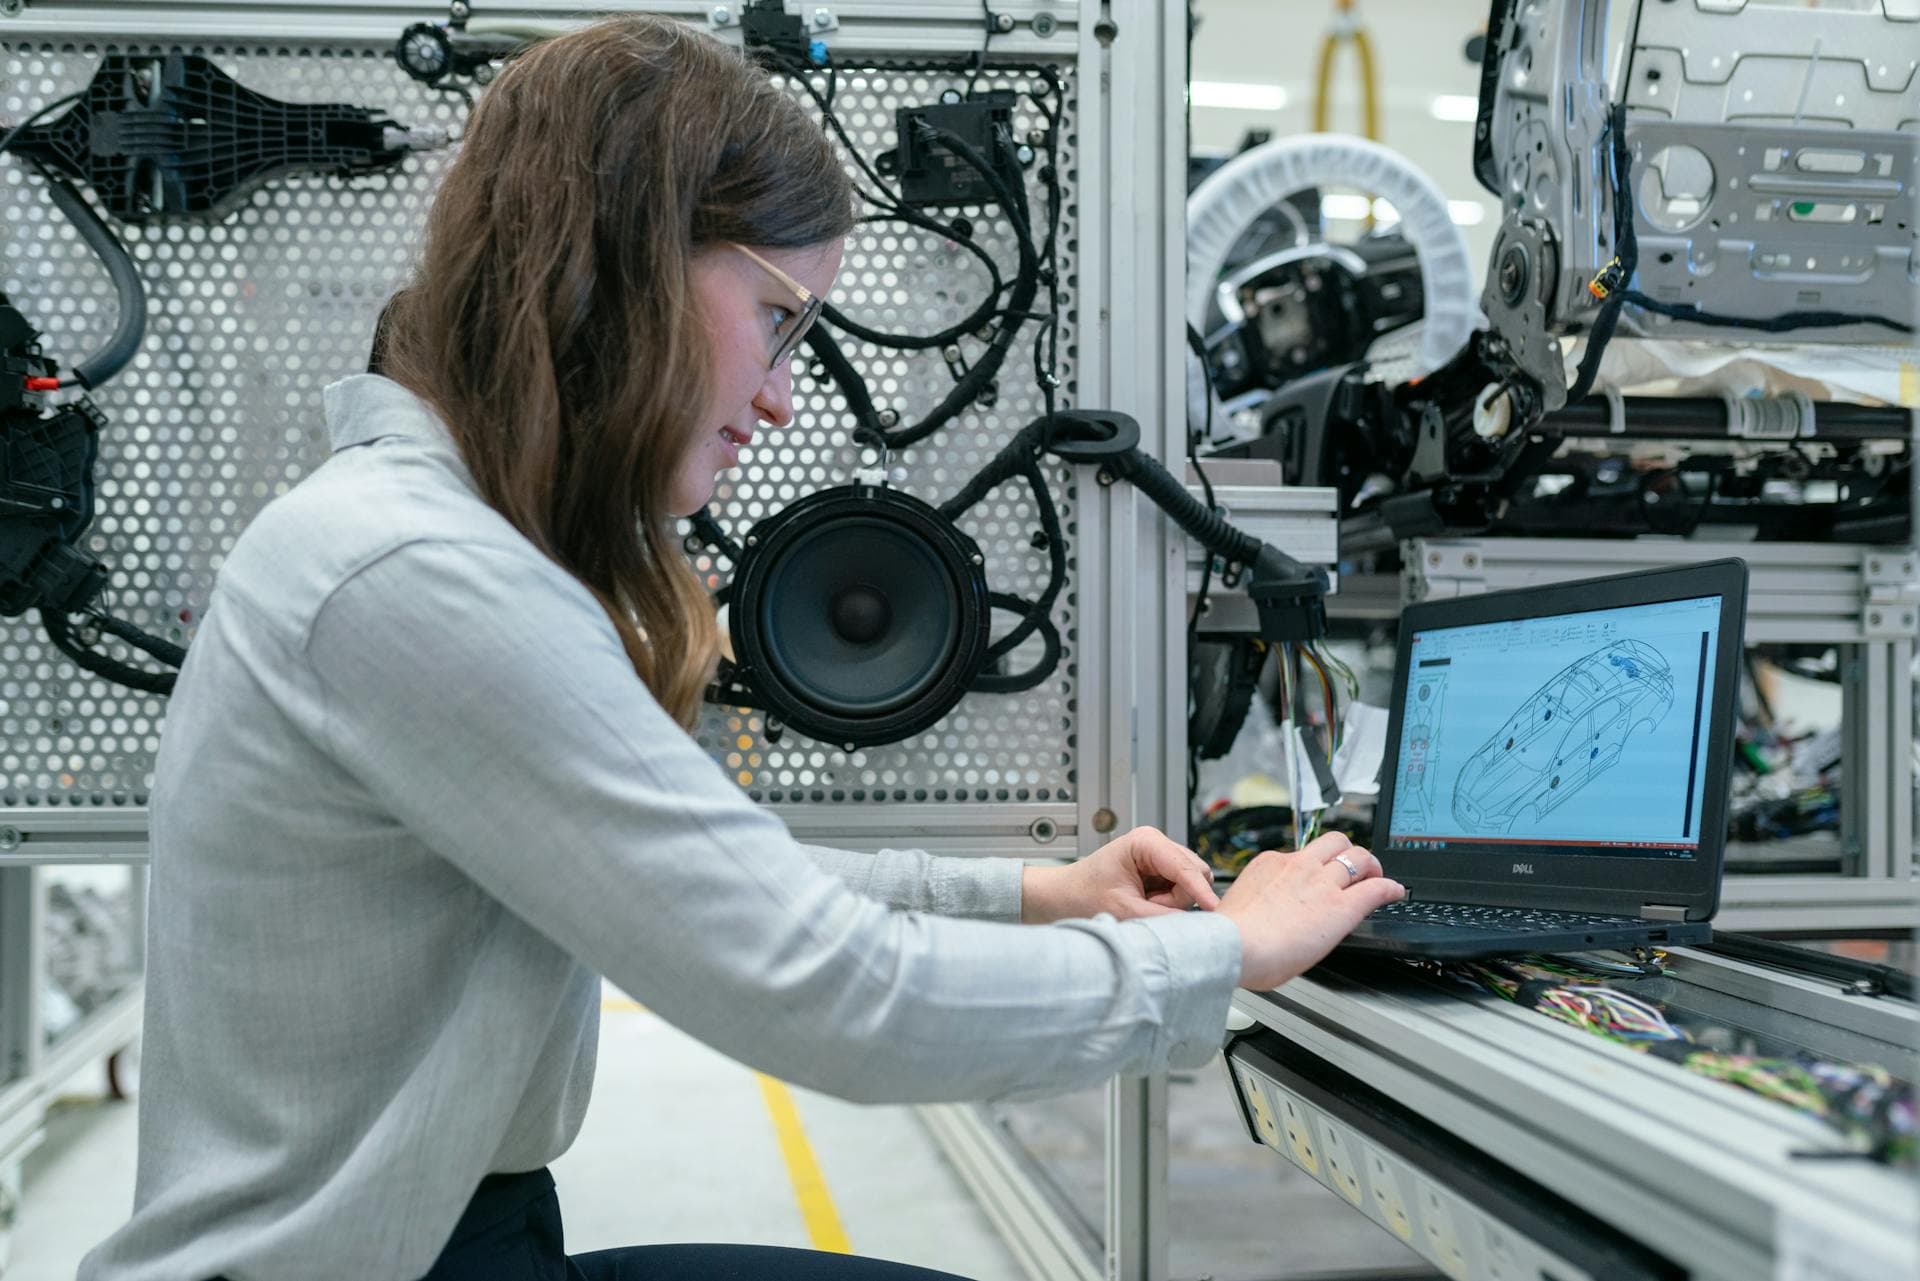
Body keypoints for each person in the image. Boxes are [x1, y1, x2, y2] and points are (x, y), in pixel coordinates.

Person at [79, 16, 1403, 1281]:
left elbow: (719, 874)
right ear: (624, 265)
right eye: (780, 320)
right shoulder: (417, 573)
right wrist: (1224, 951)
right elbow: (824, 990)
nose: (779, 393)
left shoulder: (419, 538)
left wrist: (1038, 893)